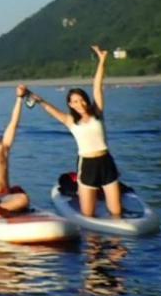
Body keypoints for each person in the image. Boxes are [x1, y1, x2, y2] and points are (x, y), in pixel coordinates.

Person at [27, 45, 124, 218]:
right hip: (87, 165)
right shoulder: (71, 121)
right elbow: (50, 109)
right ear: (70, 104)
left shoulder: (97, 113)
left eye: (81, 100)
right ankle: (93, 244)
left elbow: (97, 86)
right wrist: (38, 100)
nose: (79, 103)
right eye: (75, 101)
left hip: (106, 162)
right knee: (88, 214)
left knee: (117, 212)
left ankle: (117, 244)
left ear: (86, 100)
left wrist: (102, 61)